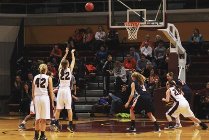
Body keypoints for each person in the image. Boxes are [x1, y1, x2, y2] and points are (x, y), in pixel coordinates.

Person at [52, 48, 75, 132]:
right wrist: (72, 53)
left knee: (58, 109)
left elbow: (62, 61)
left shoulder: (60, 70)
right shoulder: (69, 70)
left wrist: (66, 53)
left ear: (61, 65)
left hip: (60, 90)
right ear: (68, 64)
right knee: (69, 109)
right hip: (66, 90)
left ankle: (56, 124)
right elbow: (73, 60)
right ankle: (70, 125)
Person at [33, 64, 54, 140]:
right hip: (44, 98)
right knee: (43, 118)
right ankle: (42, 136)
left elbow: (33, 91)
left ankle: (35, 136)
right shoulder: (49, 78)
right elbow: (51, 92)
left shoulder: (35, 77)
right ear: (46, 70)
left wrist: (33, 101)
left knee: (37, 118)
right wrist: (52, 102)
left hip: (37, 98)